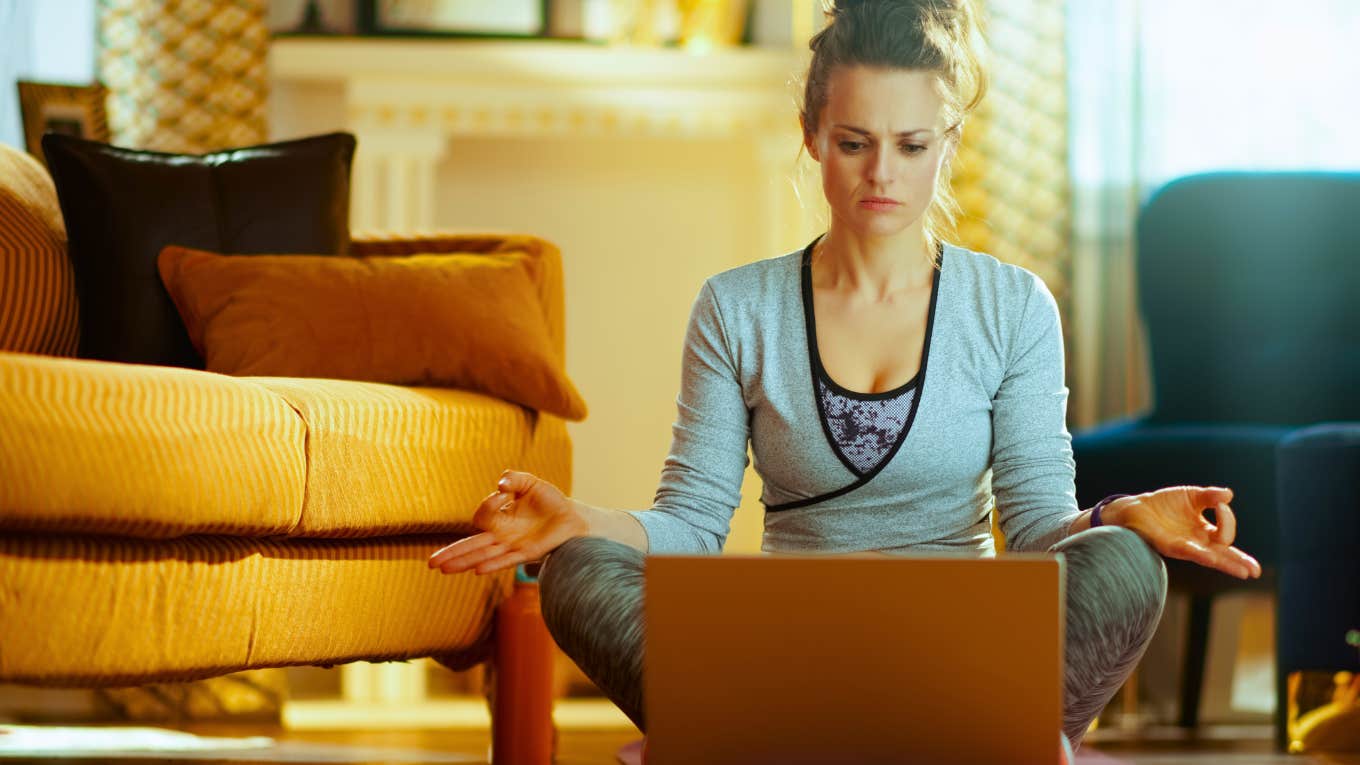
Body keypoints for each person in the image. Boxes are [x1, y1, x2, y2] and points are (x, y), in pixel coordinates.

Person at [428, 0, 1263, 754]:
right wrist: (580, 518)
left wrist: (1123, 515)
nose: (882, 175)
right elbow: (690, 521)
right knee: (577, 567)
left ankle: (811, 733)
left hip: (963, 659)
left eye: (912, 146)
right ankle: (904, 737)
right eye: (855, 143)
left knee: (1125, 563)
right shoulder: (736, 307)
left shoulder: (1013, 307)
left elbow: (1040, 527)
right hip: (787, 652)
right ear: (811, 134)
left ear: (950, 143)